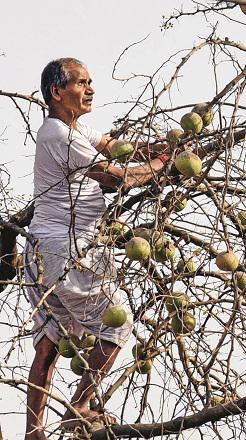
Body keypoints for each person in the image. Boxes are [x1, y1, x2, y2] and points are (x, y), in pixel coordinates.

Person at [24, 58, 172, 439]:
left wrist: (150, 148)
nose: (90, 89)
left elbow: (112, 146)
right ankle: (80, 406)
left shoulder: (70, 130)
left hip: (42, 251)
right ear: (57, 92)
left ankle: (33, 432)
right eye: (81, 83)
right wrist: (160, 166)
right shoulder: (60, 135)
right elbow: (114, 175)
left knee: (50, 342)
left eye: (91, 82)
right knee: (117, 325)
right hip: (70, 251)